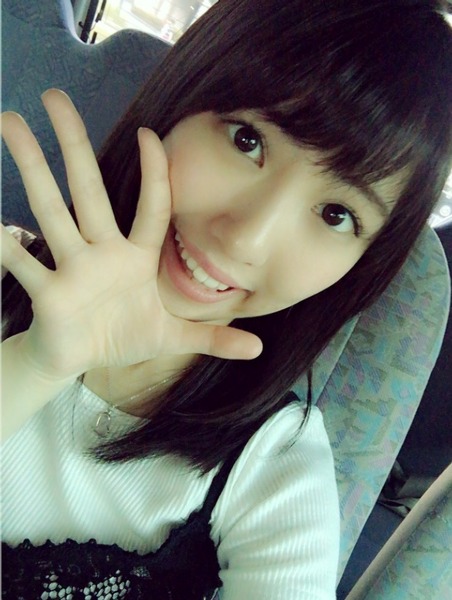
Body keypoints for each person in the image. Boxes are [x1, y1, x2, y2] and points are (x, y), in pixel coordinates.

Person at [1, 0, 451, 598]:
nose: (245, 239)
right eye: (247, 139)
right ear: (182, 95)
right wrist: (33, 365)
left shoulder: (278, 470)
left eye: (335, 214)